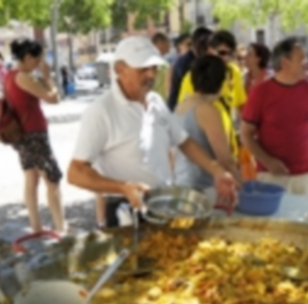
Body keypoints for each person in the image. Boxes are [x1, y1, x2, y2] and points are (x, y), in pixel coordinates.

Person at [66, 37, 238, 227]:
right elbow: (76, 172)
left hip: (164, 203)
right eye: (143, 69)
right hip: (127, 209)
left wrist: (218, 171)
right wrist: (122, 188)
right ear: (119, 70)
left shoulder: (155, 100)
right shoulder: (101, 111)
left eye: (154, 67)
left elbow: (184, 141)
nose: (151, 74)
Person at [240, 38, 308, 197]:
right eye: (301, 58)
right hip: (271, 177)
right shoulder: (261, 93)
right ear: (285, 63)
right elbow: (246, 134)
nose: (307, 62)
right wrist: (267, 160)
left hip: (306, 175)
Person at [5, 38, 65, 233]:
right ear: (28, 57)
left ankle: (36, 226)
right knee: (52, 179)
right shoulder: (24, 77)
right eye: (38, 60)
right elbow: (53, 98)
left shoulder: (9, 75)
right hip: (34, 134)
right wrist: (48, 77)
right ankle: (61, 227)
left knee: (31, 178)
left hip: (22, 134)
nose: (39, 64)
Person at [178, 30, 248, 157]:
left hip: (229, 148)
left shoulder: (233, 73)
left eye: (230, 54)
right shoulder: (192, 77)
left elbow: (241, 108)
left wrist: (244, 137)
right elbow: (183, 112)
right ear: (210, 50)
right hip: (203, 150)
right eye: (222, 53)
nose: (226, 58)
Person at [174, 55, 240, 190]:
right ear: (221, 82)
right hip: (202, 187)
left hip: (182, 182)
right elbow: (225, 160)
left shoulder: (181, 106)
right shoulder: (206, 110)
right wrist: (244, 186)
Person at [168, 27, 213, 111]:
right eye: (207, 45)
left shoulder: (198, 59)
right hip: (181, 109)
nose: (209, 50)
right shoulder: (185, 61)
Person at [151, 32, 172, 100]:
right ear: (160, 44)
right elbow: (168, 91)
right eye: (167, 42)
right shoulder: (164, 65)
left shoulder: (147, 63)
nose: (169, 45)